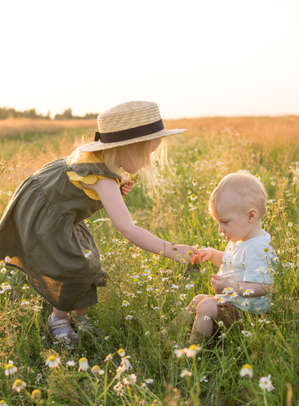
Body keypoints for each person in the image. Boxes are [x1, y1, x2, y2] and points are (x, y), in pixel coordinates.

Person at [0, 101, 196, 343]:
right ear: (127, 148)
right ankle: (58, 319)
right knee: (72, 267)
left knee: (89, 263)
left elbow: (79, 188)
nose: (147, 162)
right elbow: (128, 228)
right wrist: (170, 250)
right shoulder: (102, 179)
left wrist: (113, 189)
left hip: (59, 214)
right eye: (146, 154)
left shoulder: (96, 163)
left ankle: (79, 317)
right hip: (47, 219)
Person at [182, 171, 277, 343]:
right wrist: (212, 254)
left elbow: (264, 287)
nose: (220, 229)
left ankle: (193, 351)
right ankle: (171, 332)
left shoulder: (257, 248)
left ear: (251, 216)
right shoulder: (241, 240)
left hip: (249, 315)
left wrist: (230, 287)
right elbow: (231, 263)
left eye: (225, 222)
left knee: (207, 305)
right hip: (235, 304)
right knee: (198, 300)